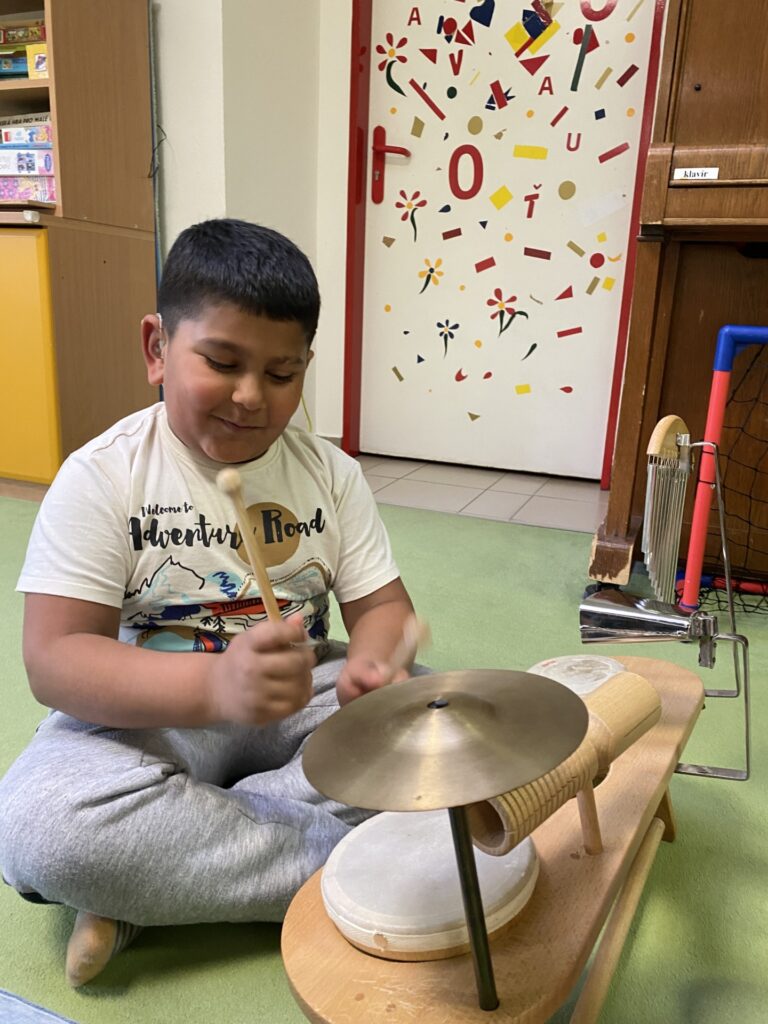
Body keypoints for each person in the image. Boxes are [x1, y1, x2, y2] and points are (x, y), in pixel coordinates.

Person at [0, 218, 422, 987]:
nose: (251, 396)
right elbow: (55, 660)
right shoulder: (102, 476)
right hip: (152, 711)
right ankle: (359, 867)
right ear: (157, 348)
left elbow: (384, 610)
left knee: (441, 725)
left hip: (299, 699)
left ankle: (153, 883)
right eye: (222, 363)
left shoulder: (331, 474)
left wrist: (376, 665)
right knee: (41, 826)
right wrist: (214, 685)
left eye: (283, 373)